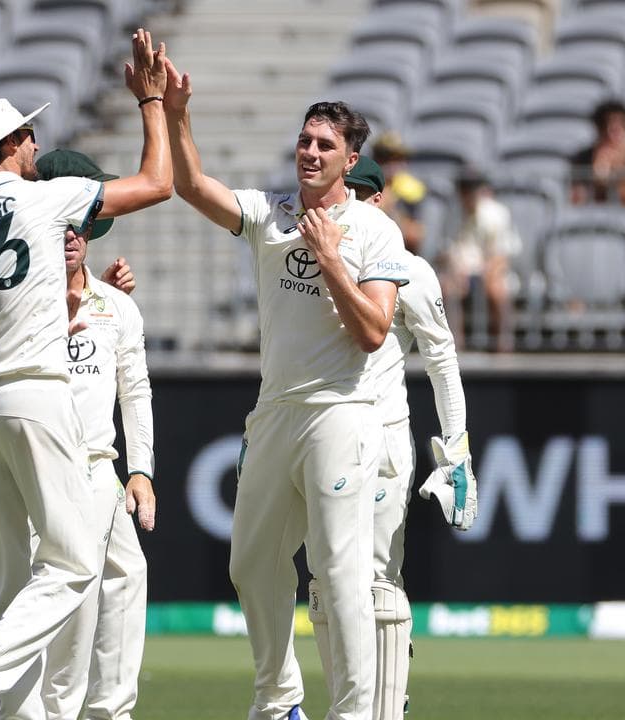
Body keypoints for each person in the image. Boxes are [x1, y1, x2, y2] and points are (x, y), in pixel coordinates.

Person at [0, 28, 173, 720]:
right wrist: (151, 102)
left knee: (8, 572)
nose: (36, 144)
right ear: (12, 145)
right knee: (72, 562)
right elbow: (158, 183)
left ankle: (3, 706)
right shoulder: (44, 199)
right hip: (33, 393)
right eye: (28, 135)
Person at [163, 52, 411, 719]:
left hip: (341, 412)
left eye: (325, 145)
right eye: (305, 140)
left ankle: (354, 711)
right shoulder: (270, 213)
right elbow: (192, 186)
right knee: (250, 565)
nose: (310, 152)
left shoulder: (376, 229)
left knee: (339, 570)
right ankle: (278, 702)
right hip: (275, 411)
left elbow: (373, 331)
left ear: (350, 160)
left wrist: (330, 260)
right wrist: (176, 114)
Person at [0, 149, 157, 720]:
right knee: (15, 590)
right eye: (61, 221)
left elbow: (135, 391)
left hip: (96, 465)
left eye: (81, 224)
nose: (70, 233)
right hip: (33, 456)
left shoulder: (116, 306)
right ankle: (5, 699)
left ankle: (105, 711)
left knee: (121, 577)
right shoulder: (9, 300)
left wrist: (140, 469)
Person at [332, 157, 478, 720]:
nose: (350, 202)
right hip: (324, 438)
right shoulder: (311, 259)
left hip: (383, 439)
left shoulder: (408, 269)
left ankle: (387, 708)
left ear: (378, 199)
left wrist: (457, 450)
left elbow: (442, 360)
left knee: (376, 581)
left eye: (359, 192)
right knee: (327, 583)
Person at [569, 99, 625, 277]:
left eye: (620, 126)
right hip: (593, 230)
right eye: (606, 126)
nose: (613, 133)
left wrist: (620, 177)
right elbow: (576, 206)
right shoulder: (582, 158)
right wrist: (597, 179)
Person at [439, 167, 521, 352]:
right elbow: (446, 252)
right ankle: (454, 347)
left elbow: (502, 256)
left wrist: (486, 273)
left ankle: (503, 346)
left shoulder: (497, 213)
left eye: (472, 189)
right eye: (464, 189)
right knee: (447, 286)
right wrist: (456, 270)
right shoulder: (451, 214)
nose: (468, 194)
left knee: (497, 289)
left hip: (491, 268)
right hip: (462, 270)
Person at [372, 132, 427, 256]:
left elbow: (415, 235)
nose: (391, 164)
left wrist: (391, 211)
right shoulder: (364, 184)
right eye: (385, 157)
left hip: (397, 252)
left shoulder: (412, 189)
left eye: (397, 158)